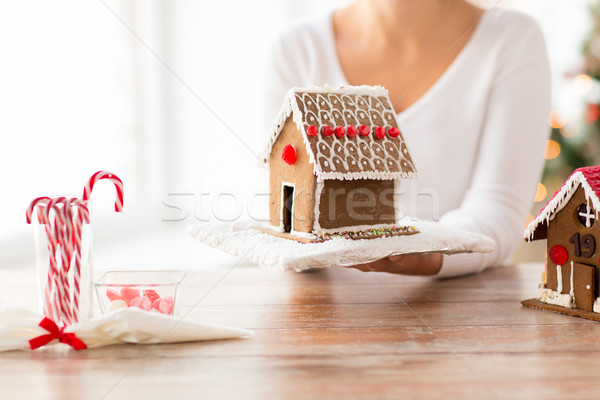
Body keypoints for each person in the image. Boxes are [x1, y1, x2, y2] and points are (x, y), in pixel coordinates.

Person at [259, 0, 550, 278]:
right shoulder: (295, 49)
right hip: (317, 307)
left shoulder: (512, 38)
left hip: (459, 309)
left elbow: (498, 208)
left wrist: (426, 252)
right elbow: (279, 201)